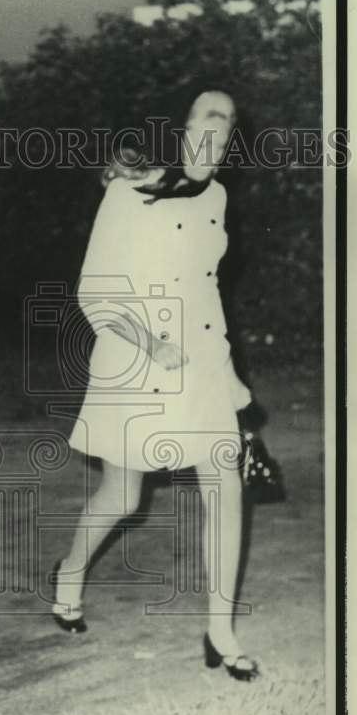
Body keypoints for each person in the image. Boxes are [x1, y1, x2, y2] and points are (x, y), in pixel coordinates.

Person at [52, 88, 259, 681]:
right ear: (177, 131)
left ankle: (221, 628)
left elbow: (206, 286)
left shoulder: (217, 196)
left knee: (226, 484)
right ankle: (69, 574)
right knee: (124, 497)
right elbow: (94, 290)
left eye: (223, 137)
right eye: (203, 131)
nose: (211, 148)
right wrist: (150, 344)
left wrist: (226, 366)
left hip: (203, 366)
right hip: (139, 362)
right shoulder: (128, 190)